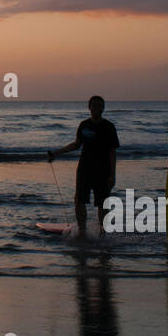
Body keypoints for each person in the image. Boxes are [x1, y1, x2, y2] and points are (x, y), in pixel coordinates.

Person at [47, 95, 119, 239]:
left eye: (99, 105)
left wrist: (113, 175)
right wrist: (56, 153)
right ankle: (82, 231)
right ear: (89, 107)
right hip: (84, 168)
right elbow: (76, 145)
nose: (96, 108)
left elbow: (112, 152)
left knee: (102, 203)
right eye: (94, 105)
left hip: (103, 170)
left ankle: (103, 233)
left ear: (103, 108)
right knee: (79, 200)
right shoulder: (84, 125)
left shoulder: (109, 127)